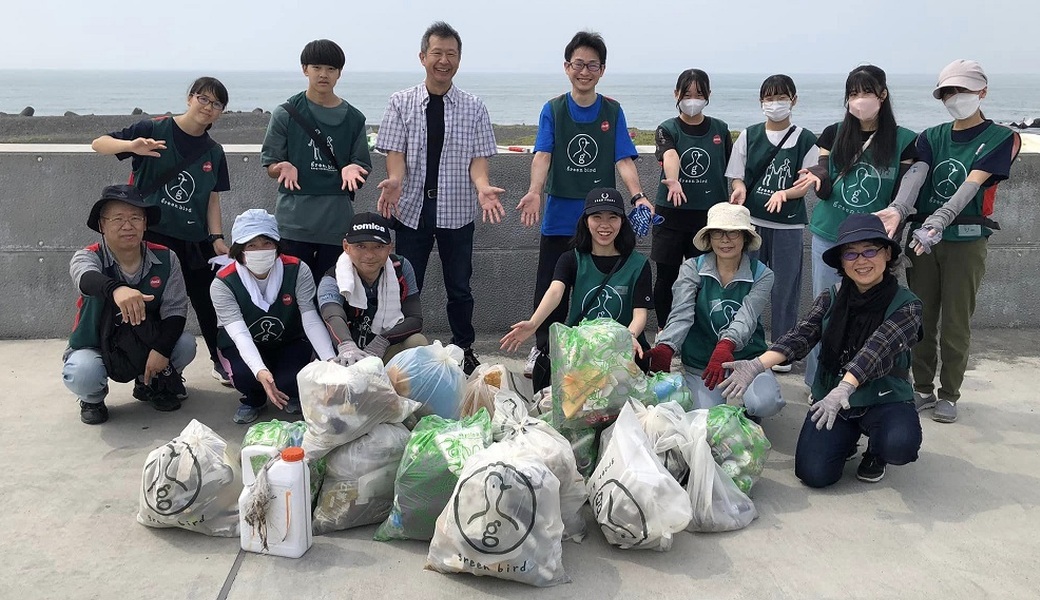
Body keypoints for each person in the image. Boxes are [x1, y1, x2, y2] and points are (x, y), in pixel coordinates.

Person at [720, 213, 923, 487]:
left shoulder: (907, 304)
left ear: (887, 254)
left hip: (883, 396)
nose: (861, 261)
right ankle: (846, 437)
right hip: (832, 398)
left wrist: (845, 388)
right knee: (813, 473)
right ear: (841, 262)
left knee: (899, 444)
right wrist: (756, 365)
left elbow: (878, 348)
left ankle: (877, 452)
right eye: (850, 254)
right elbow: (801, 335)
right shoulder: (832, 295)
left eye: (870, 251)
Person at [875, 59, 1021, 424]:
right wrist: (897, 209)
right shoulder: (930, 136)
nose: (954, 98)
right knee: (919, 317)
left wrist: (940, 221)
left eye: (962, 90)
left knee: (956, 322)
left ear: (982, 91)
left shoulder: (1002, 138)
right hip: (921, 243)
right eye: (948, 92)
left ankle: (950, 393)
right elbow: (917, 176)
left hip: (965, 241)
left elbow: (972, 184)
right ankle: (921, 388)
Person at [513, 30, 651, 381]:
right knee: (551, 285)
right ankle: (542, 348)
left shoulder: (612, 110)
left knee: (605, 286)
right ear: (567, 67)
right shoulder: (554, 109)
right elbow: (543, 153)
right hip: (560, 216)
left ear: (602, 70)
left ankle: (612, 346)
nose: (584, 71)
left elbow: (623, 158)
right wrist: (534, 191)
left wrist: (637, 195)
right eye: (578, 64)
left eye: (592, 65)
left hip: (601, 218)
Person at [375, 21, 505, 375]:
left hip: (458, 209)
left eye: (451, 54)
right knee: (403, 286)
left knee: (460, 286)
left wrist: (482, 187)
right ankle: (402, 350)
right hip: (411, 208)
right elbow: (395, 152)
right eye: (437, 53)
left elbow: (478, 160)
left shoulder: (473, 106)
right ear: (423, 57)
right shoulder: (401, 102)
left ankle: (464, 347)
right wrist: (396, 181)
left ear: (459, 60)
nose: (443, 60)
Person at [91, 76, 232, 387]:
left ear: (222, 112)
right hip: (151, 235)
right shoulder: (154, 128)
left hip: (194, 240)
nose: (208, 108)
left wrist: (217, 238)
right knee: (152, 303)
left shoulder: (214, 151)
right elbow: (98, 143)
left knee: (208, 303)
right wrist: (131, 146)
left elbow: (212, 197)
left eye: (217, 104)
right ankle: (148, 371)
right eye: (203, 99)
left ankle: (220, 361)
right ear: (190, 98)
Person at [794, 65, 917, 391]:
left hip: (873, 244)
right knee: (825, 312)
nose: (859, 100)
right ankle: (816, 383)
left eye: (866, 92)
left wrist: (893, 242)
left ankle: (861, 383)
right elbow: (823, 183)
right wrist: (816, 178)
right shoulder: (834, 134)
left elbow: (900, 197)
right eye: (853, 93)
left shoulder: (904, 141)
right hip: (830, 236)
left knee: (871, 315)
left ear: (883, 95)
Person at [63, 185, 196, 424]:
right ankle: (92, 398)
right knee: (83, 372)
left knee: (185, 345)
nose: (128, 225)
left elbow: (175, 311)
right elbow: (85, 278)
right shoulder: (89, 256)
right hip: (96, 345)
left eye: (136, 218)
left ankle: (151, 384)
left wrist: (162, 350)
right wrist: (117, 289)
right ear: (102, 225)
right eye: (118, 218)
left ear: (145, 223)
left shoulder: (166, 257)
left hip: (147, 340)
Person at [645, 203, 783, 418]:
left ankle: (749, 411)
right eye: (718, 233)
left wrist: (726, 345)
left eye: (733, 233)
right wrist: (666, 346)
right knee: (704, 417)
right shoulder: (692, 268)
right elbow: (681, 313)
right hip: (702, 359)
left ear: (745, 238)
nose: (725, 240)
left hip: (747, 358)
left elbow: (746, 317)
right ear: (708, 238)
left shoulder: (762, 274)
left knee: (765, 404)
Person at [501, 188, 653, 377]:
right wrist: (534, 323)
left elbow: (640, 313)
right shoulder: (571, 259)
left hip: (625, 351)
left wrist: (627, 338)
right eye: (596, 217)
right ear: (586, 221)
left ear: (622, 221)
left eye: (612, 217)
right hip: (581, 349)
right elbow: (555, 291)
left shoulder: (638, 264)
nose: (604, 225)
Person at [725, 75, 819, 372]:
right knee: (746, 284)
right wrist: (739, 188)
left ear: (794, 100)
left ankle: (781, 349)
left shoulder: (805, 139)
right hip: (751, 223)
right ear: (761, 102)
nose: (774, 104)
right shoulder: (749, 135)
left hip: (788, 226)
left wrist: (785, 193)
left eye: (781, 97)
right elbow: (737, 175)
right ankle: (744, 343)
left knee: (785, 289)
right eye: (769, 98)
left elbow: (806, 184)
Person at [261, 39, 373, 280]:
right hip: (293, 223)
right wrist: (281, 166)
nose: (324, 75)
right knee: (290, 293)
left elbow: (362, 166)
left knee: (331, 294)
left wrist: (355, 169)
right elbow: (270, 162)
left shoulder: (354, 118)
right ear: (305, 69)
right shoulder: (287, 113)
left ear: (339, 73)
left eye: (331, 69)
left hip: (335, 223)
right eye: (317, 67)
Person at [210, 210, 336, 424]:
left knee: (293, 378)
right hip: (241, 345)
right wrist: (260, 371)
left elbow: (310, 317)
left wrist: (330, 361)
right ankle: (253, 399)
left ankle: (292, 393)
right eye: (251, 245)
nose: (261, 250)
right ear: (239, 251)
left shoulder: (297, 269)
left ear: (277, 245)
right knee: (247, 374)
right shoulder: (223, 283)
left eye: (267, 243)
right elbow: (239, 333)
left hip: (288, 340)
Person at [653, 68, 733, 329]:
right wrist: (673, 180)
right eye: (686, 93)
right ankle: (667, 332)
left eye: (699, 93)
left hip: (709, 216)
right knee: (666, 276)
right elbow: (670, 155)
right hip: (671, 213)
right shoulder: (667, 128)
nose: (692, 99)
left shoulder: (720, 129)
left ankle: (700, 332)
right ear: (676, 94)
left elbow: (733, 168)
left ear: (708, 95)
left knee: (706, 277)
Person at [318, 212, 428, 364]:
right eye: (360, 246)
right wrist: (347, 346)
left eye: (378, 246)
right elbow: (332, 315)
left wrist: (382, 341)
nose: (369, 255)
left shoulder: (400, 268)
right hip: (344, 354)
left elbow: (415, 318)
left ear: (390, 248)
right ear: (346, 247)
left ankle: (401, 387)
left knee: (417, 342)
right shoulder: (333, 278)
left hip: (382, 349)